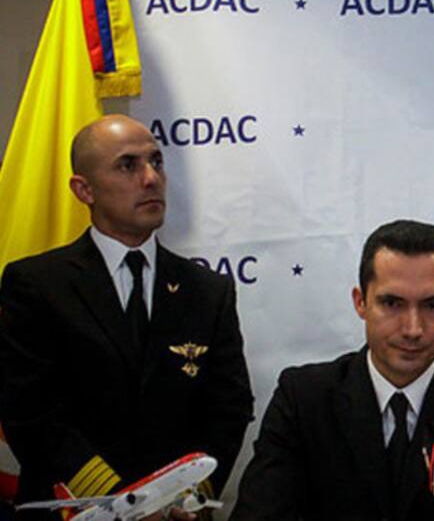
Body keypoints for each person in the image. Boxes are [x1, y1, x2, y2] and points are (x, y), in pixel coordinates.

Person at [0, 115, 254, 508]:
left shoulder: (207, 291)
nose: (151, 178)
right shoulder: (37, 285)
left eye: (156, 162)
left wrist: (185, 498)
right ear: (84, 189)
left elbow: (229, 408)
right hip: (76, 510)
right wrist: (125, 506)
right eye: (127, 165)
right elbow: (30, 412)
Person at [232, 220, 434, 520]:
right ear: (360, 302)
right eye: (392, 303)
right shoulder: (304, 398)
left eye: (432, 305)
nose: (413, 329)